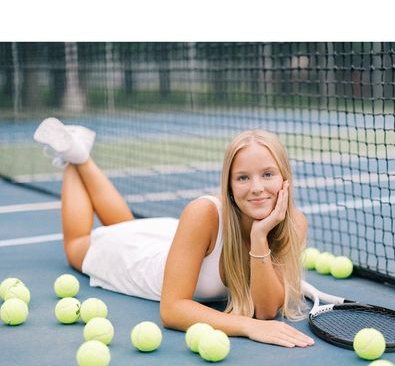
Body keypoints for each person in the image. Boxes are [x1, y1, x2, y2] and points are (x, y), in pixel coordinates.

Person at [34, 117, 315, 348]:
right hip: (141, 263)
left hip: (171, 240)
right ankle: (75, 155)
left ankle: (80, 156)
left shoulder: (294, 224)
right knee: (77, 246)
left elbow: (266, 310)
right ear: (228, 185)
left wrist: (259, 236)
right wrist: (246, 326)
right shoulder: (203, 213)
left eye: (267, 174)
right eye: (243, 177)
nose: (256, 187)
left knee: (125, 225)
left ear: (284, 178)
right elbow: (172, 310)